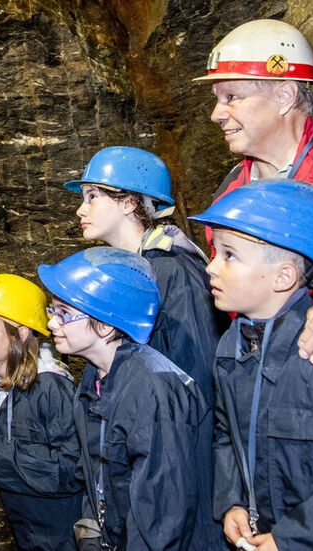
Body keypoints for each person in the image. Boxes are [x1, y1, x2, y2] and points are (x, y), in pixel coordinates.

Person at [190, 179, 313, 550]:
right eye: (216, 252)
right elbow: (227, 433)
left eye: (229, 255)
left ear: (284, 277)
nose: (211, 267)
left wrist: (293, 538)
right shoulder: (232, 347)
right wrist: (233, 501)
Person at [195, 18, 313, 368]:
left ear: (284, 96)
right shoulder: (227, 200)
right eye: (217, 99)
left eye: (231, 97)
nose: (215, 114)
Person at [37, 248, 223, 551]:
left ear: (105, 325)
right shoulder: (96, 378)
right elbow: (94, 473)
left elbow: (162, 518)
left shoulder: (153, 390)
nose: (52, 324)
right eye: (52, 311)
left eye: (64, 314)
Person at [64, 145, 226, 404]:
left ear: (128, 203)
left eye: (92, 196)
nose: (80, 210)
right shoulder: (130, 272)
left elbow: (200, 376)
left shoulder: (174, 271)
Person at [0, 274, 82, 550]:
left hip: (67, 535)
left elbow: (74, 470)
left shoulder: (51, 388)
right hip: (24, 531)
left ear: (21, 333)